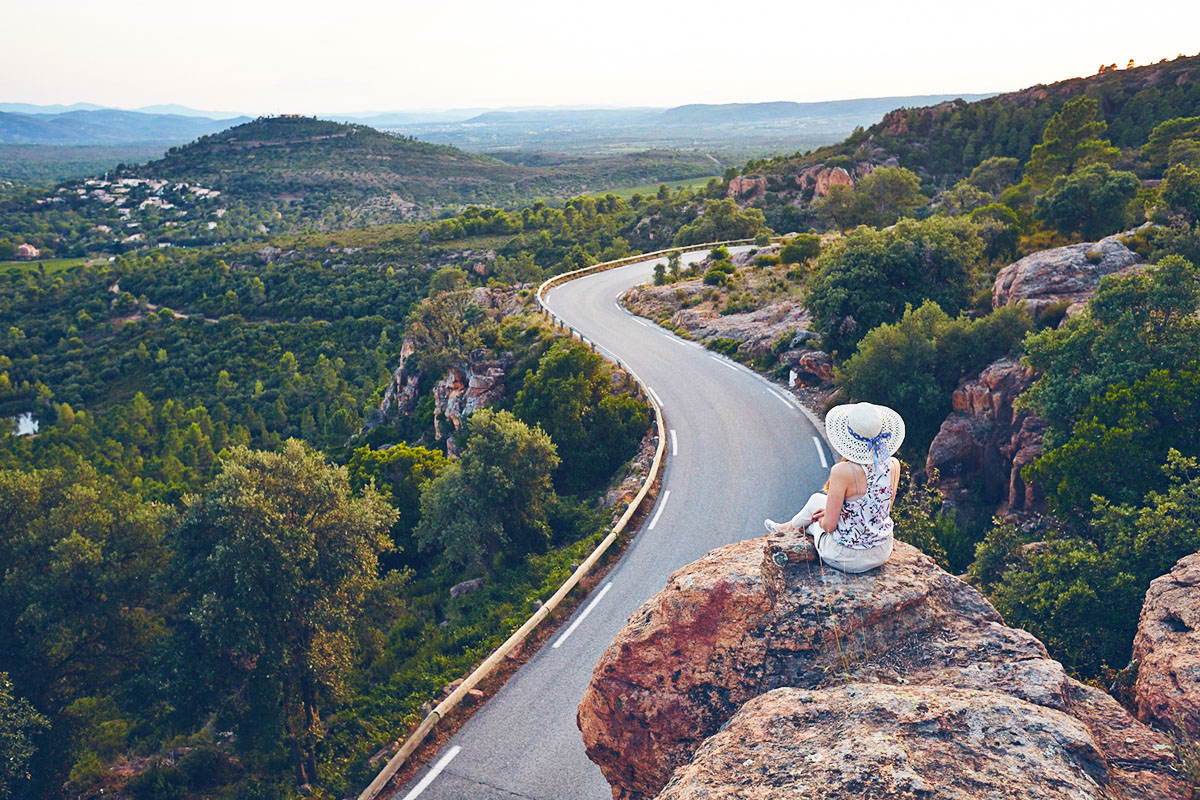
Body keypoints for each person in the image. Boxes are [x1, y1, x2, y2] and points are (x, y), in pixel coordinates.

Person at [764, 402, 904, 573]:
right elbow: (877, 510)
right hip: (881, 551)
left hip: (846, 557)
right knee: (818, 501)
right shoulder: (894, 465)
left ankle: (786, 528)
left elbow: (829, 526)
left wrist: (822, 519)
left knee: (813, 520)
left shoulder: (843, 471)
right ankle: (786, 526)